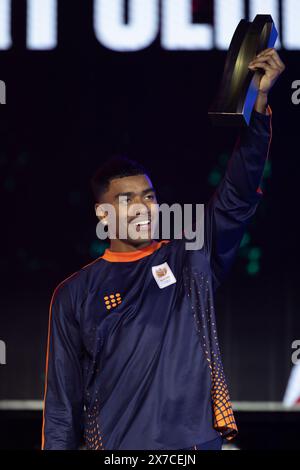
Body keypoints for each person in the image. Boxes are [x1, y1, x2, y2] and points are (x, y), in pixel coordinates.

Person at [41, 49, 285, 450]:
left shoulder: (190, 257)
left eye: (150, 196)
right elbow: (63, 408)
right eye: (127, 199)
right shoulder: (74, 294)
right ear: (102, 211)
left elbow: (238, 196)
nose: (143, 207)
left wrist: (257, 108)